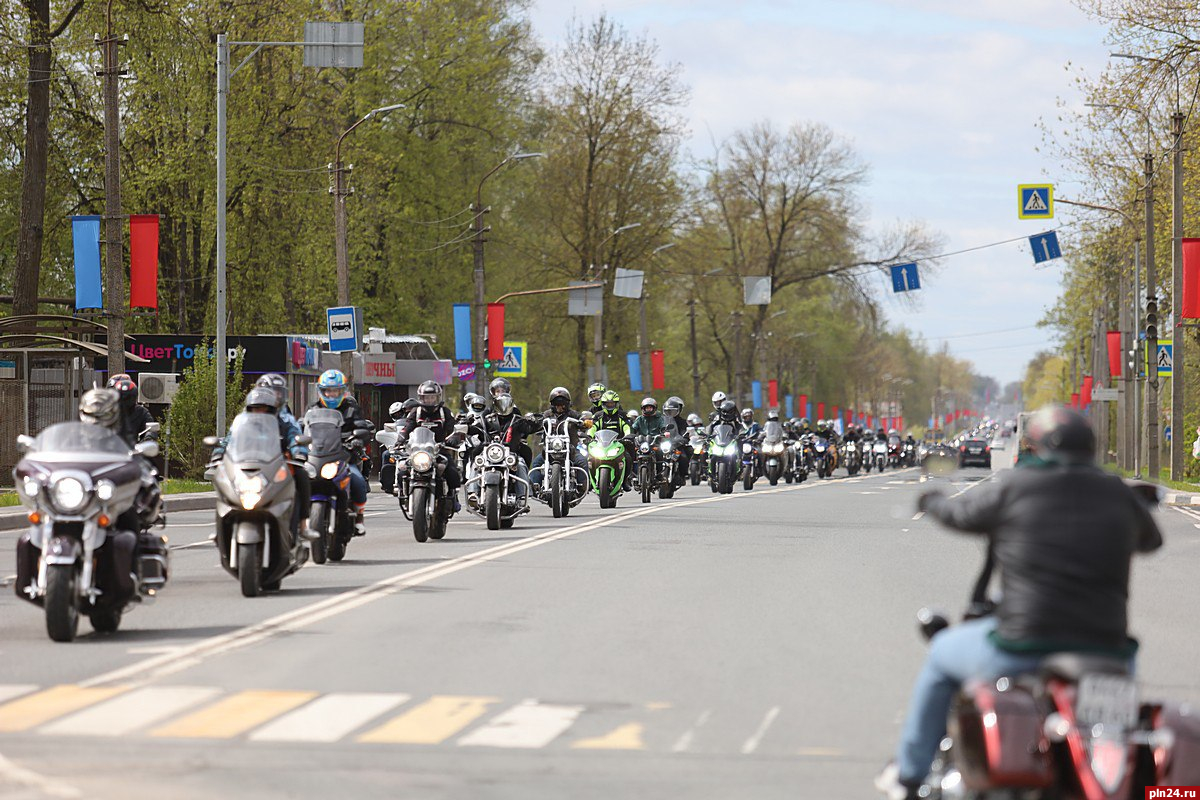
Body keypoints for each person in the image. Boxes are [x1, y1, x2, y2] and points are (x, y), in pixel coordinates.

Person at [875, 406, 1163, 799]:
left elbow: (961, 514)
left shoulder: (1017, 485)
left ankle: (908, 776)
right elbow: (1152, 541)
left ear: (1038, 445)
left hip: (1021, 646)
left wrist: (932, 500)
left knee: (942, 652)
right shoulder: (1115, 491)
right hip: (1110, 654)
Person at [308, 369, 371, 534]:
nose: (331, 395)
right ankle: (300, 519)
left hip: (344, 456)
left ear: (342, 391)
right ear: (321, 391)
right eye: (327, 391)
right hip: (319, 456)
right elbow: (304, 427)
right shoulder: (313, 409)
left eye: (335, 390)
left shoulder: (351, 409)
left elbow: (361, 427)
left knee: (357, 481)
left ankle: (359, 517)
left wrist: (358, 439)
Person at [254, 374, 314, 540]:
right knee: (225, 484)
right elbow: (233, 437)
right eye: (270, 392)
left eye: (278, 392)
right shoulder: (247, 416)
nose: (275, 396)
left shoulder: (286, 418)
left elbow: (295, 436)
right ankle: (222, 526)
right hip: (251, 466)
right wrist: (220, 452)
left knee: (301, 477)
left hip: (277, 465)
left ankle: (302, 524)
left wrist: (298, 452)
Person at [396, 380, 465, 513]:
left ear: (438, 397)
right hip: (417, 452)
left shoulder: (444, 412)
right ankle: (403, 494)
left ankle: (453, 497)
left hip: (439, 450)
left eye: (432, 397)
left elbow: (453, 429)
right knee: (402, 470)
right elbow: (408, 427)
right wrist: (400, 438)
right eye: (426, 398)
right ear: (421, 398)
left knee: (452, 472)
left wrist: (454, 437)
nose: (429, 400)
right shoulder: (416, 413)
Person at [529, 387, 587, 494]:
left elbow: (583, 420)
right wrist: (533, 421)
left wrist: (584, 421)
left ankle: (582, 487)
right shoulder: (547, 415)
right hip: (549, 449)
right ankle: (534, 488)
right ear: (552, 404)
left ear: (567, 404)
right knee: (536, 463)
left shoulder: (573, 415)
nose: (559, 407)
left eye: (562, 404)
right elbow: (538, 421)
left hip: (571, 449)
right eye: (557, 404)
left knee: (582, 462)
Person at [594, 390, 634, 490]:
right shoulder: (598, 416)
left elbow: (627, 428)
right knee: (590, 458)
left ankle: (625, 481)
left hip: (618, 444)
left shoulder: (622, 415)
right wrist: (588, 437)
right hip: (600, 445)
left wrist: (627, 436)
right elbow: (592, 428)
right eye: (607, 404)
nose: (610, 406)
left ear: (616, 404)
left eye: (612, 403)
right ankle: (592, 481)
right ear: (603, 404)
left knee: (628, 458)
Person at [106, 374, 156, 449]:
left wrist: (148, 438)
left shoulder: (141, 412)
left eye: (127, 396)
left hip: (132, 453)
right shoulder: (103, 412)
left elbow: (151, 429)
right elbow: (92, 427)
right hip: (106, 452)